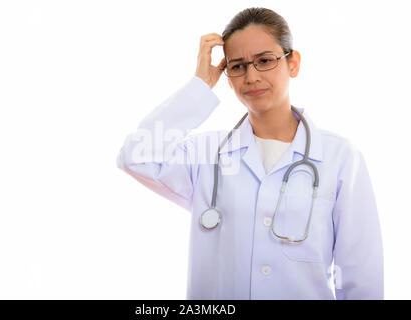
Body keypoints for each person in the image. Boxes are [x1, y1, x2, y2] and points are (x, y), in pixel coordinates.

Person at [116, 7, 383, 299]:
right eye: (238, 66)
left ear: (293, 63)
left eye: (265, 61)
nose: (251, 76)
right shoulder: (206, 154)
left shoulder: (341, 158)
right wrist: (200, 85)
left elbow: (361, 275)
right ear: (227, 77)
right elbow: (134, 155)